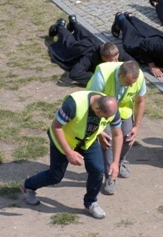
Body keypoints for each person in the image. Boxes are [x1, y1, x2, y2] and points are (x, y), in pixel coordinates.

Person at [22, 92, 122, 219]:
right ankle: (28, 186)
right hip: (63, 140)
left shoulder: (111, 108)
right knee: (55, 177)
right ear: (97, 108)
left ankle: (90, 202)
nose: (105, 120)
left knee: (97, 170)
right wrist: (69, 152)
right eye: (104, 117)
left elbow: (118, 134)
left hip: (87, 140)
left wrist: (115, 162)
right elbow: (56, 127)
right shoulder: (74, 103)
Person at [87, 60, 146, 195]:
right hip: (103, 111)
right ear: (119, 75)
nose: (131, 85)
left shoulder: (139, 77)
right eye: (128, 83)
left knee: (128, 138)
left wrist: (136, 126)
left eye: (133, 82)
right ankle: (110, 176)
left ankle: (119, 162)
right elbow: (92, 104)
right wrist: (99, 132)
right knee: (108, 143)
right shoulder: (102, 75)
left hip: (124, 110)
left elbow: (140, 101)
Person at [48, 15, 135, 86]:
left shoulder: (116, 51)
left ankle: (74, 24)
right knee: (69, 43)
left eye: (117, 58)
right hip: (82, 49)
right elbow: (75, 73)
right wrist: (99, 78)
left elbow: (133, 64)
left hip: (93, 42)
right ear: (104, 58)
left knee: (85, 34)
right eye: (113, 60)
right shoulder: (90, 57)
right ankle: (60, 27)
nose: (117, 61)